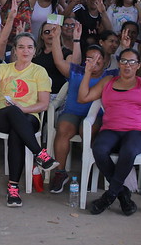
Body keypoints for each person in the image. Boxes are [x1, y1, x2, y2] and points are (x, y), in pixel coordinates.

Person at [77, 48, 141, 216]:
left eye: (132, 62)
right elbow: (83, 98)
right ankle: (122, 194)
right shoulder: (108, 81)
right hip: (111, 129)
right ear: (118, 64)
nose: (127, 65)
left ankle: (110, 195)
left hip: (137, 131)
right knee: (98, 149)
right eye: (124, 61)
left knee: (129, 151)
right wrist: (87, 73)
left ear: (138, 65)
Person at [0, 33, 59, 207]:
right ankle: (40, 154)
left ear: (34, 51)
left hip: (29, 116)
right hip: (3, 116)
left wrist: (23, 109)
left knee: (18, 131)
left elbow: (44, 104)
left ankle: (13, 188)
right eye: (21, 47)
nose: (26, 50)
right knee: (13, 112)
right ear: (14, 51)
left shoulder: (39, 71)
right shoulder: (4, 68)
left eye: (29, 47)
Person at [48, 24, 120, 193]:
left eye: (97, 60)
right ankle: (60, 173)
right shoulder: (76, 71)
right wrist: (56, 37)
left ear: (104, 62)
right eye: (89, 59)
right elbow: (58, 60)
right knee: (63, 128)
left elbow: (132, 72)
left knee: (88, 131)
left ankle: (88, 173)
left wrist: (126, 46)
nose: (92, 63)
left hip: (95, 117)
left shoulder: (110, 76)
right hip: (72, 112)